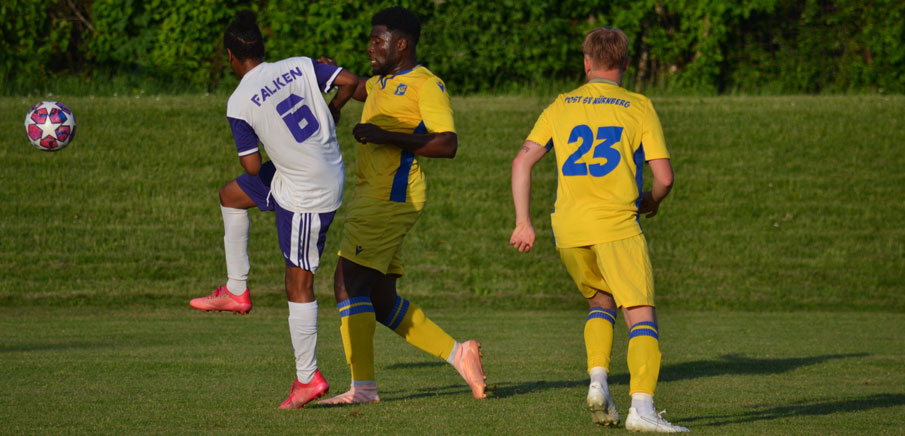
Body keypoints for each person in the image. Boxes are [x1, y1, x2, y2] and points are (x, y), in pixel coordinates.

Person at [509, 27, 688, 433]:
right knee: (640, 315)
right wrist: (652, 200)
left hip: (569, 229)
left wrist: (523, 222)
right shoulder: (638, 106)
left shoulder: (561, 105)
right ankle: (642, 409)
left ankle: (598, 383)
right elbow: (665, 178)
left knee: (600, 303)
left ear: (587, 63)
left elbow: (521, 162)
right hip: (617, 225)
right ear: (625, 64)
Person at [318, 6, 486, 404]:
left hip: (389, 198)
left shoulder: (426, 85)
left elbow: (448, 144)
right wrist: (332, 74)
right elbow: (360, 88)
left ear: (402, 44)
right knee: (380, 300)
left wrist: (387, 135)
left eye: (378, 41)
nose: (370, 47)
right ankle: (459, 353)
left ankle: (363, 388)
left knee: (347, 283)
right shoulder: (381, 82)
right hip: (375, 196)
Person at [195, 10, 361, 410]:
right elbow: (351, 81)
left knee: (298, 285)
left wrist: (259, 138)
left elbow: (253, 166)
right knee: (230, 195)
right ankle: (236, 289)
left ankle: (308, 379)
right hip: (317, 170)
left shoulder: (238, 102)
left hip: (308, 193)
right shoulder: (298, 65)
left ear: (231, 56)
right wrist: (335, 108)